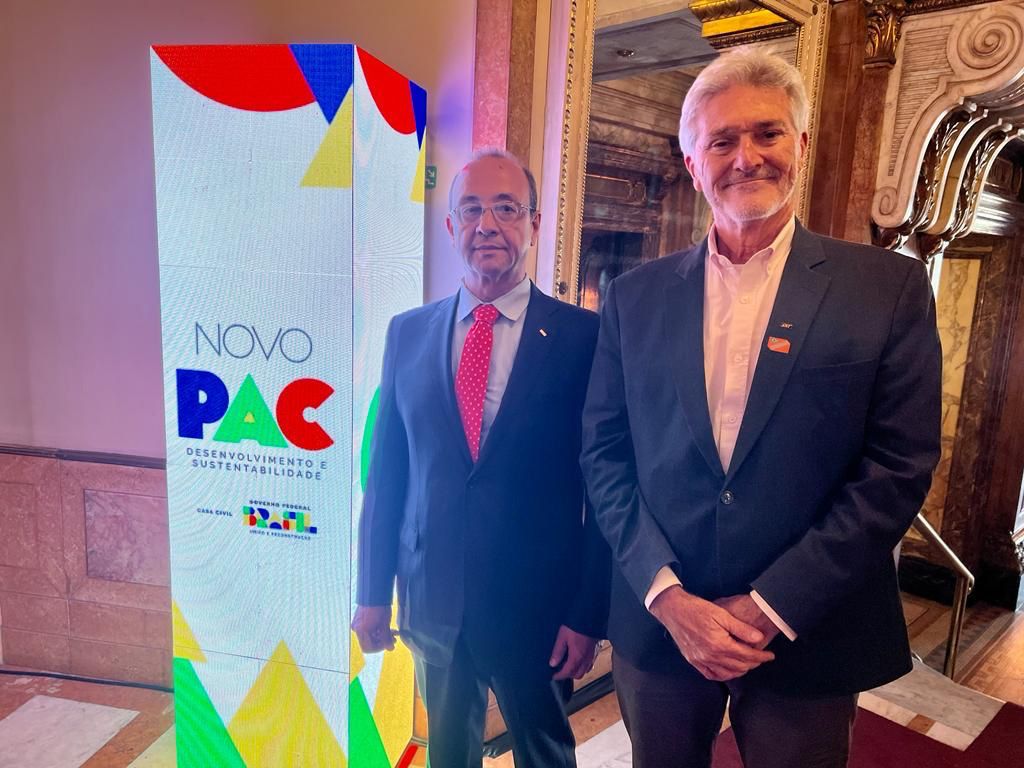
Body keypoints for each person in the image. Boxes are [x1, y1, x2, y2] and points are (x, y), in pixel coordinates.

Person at [580, 49, 941, 768]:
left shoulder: (886, 290)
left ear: (800, 144)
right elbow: (604, 452)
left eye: (767, 133)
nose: (746, 157)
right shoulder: (633, 297)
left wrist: (770, 605)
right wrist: (667, 596)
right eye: (722, 140)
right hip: (663, 626)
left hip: (809, 628)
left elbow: (898, 467)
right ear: (693, 164)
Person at [353, 149, 610, 768]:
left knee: (546, 754)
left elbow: (603, 489)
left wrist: (588, 613)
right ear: (451, 226)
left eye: (506, 209)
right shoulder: (407, 332)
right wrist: (372, 591)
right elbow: (388, 476)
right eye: (471, 209)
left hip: (538, 608)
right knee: (447, 753)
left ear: (534, 223)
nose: (486, 225)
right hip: (432, 597)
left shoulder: (585, 338)